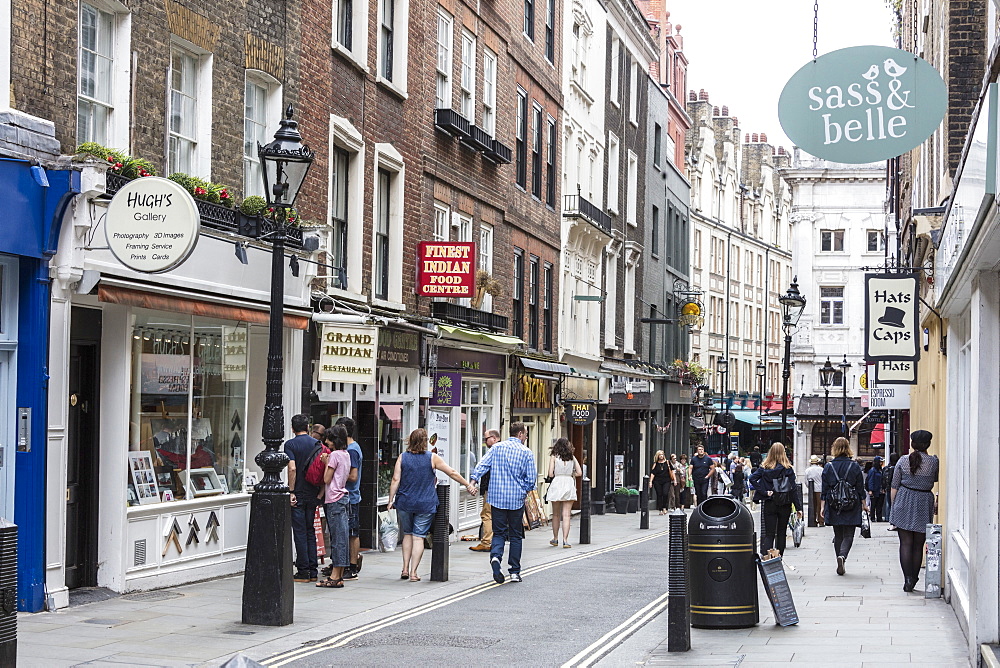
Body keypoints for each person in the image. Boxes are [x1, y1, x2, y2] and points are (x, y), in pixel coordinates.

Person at [388, 428, 475, 582]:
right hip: (425, 503)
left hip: (405, 502)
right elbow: (452, 472)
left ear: (410, 440)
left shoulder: (402, 457)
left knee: (407, 533)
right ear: (424, 442)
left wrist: (390, 500)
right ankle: (414, 573)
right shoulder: (432, 458)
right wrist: (467, 485)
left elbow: (395, 480)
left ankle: (405, 568)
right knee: (418, 537)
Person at [470, 422, 537, 584]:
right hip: (516, 500)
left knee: (498, 532)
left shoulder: (497, 448)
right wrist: (524, 490)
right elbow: (531, 480)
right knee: (515, 535)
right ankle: (514, 571)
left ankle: (495, 558)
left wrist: (473, 481)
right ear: (520, 434)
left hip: (497, 498)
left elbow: (482, 465)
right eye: (526, 434)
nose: (526, 437)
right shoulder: (526, 452)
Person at [890, 430, 938, 592]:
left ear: (912, 444)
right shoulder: (933, 462)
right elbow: (935, 478)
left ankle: (907, 579)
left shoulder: (903, 460)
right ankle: (914, 578)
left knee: (905, 543)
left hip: (903, 499)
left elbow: (894, 485)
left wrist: (894, 507)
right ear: (928, 444)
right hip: (924, 502)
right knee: (918, 544)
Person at [284, 414, 323, 583]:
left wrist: (291, 491)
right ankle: (313, 570)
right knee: (310, 531)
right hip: (313, 491)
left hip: (298, 492)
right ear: (307, 427)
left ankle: (303, 571)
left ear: (292, 428)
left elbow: (292, 468)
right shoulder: (317, 444)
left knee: (299, 531)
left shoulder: (290, 445)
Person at [822, 437, 868, 576]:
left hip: (834, 503)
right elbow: (860, 488)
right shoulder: (854, 466)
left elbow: (824, 489)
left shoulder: (829, 466)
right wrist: (864, 504)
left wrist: (822, 507)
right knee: (849, 534)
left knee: (838, 534)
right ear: (848, 448)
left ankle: (839, 558)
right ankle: (843, 556)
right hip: (851, 504)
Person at [316, 426, 354, 589]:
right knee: (342, 537)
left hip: (334, 499)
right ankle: (338, 574)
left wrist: (325, 462)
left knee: (337, 539)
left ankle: (335, 577)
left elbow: (326, 478)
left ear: (335, 440)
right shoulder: (346, 455)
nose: (326, 442)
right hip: (343, 498)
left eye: (329, 439)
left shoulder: (334, 456)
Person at [750, 443, 803, 556]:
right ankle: (779, 558)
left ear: (770, 453)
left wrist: (764, 492)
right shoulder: (788, 469)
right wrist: (799, 508)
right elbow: (793, 489)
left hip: (770, 502)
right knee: (781, 532)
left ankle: (769, 558)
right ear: (783, 453)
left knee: (769, 534)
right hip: (785, 503)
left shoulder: (764, 468)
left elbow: (752, 478)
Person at [335, 416, 364, 579]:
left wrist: (334, 474)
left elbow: (353, 476)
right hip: (348, 496)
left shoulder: (352, 450)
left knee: (352, 533)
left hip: (350, 497)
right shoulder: (351, 448)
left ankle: (352, 566)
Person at [546, 438, 582, 547]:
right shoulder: (572, 457)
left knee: (556, 514)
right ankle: (565, 540)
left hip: (557, 483)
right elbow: (579, 472)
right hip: (569, 483)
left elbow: (550, 474)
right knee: (566, 515)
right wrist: (571, 475)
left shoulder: (554, 457)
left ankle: (555, 538)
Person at [470, 429, 501, 552]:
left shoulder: (494, 450)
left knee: (486, 514)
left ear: (494, 438)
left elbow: (482, 467)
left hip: (491, 488)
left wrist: (473, 482)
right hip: (502, 489)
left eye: (486, 438)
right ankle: (496, 540)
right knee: (497, 515)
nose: (485, 441)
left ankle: (486, 542)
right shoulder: (505, 450)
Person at [804, 455, 825, 526]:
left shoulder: (807, 470)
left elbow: (806, 481)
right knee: (820, 506)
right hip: (820, 489)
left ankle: (813, 521)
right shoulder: (821, 469)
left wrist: (809, 487)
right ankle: (821, 520)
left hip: (812, 490)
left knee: (812, 506)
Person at [866, 455, 886, 522]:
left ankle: (879, 517)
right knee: (873, 505)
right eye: (880, 462)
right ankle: (872, 517)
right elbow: (871, 480)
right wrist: (870, 490)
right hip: (875, 490)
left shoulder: (880, 470)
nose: (881, 463)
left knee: (879, 505)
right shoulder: (873, 471)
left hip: (880, 490)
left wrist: (883, 488)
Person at [883, 452, 900, 527]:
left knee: (889, 503)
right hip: (898, 488)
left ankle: (888, 517)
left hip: (889, 488)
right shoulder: (898, 467)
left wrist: (884, 487)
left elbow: (883, 478)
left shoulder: (887, 468)